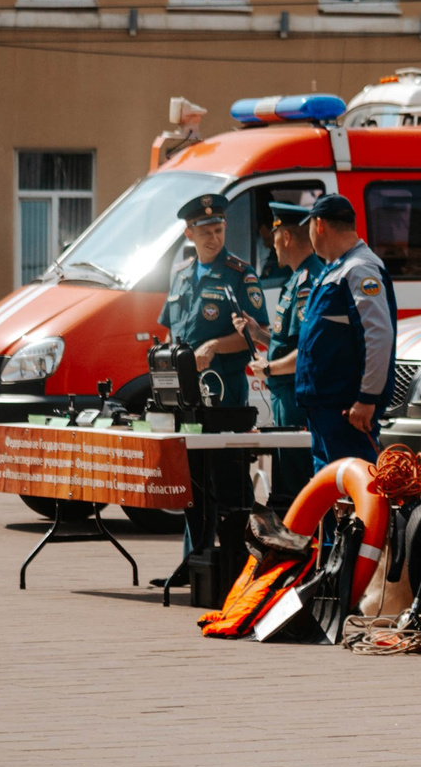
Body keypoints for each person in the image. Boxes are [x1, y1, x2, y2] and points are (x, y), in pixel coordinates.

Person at [161, 190, 270, 579]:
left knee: (229, 479)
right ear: (189, 233)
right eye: (205, 231)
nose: (214, 237)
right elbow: (171, 329)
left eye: (219, 229)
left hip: (225, 394)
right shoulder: (181, 275)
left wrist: (214, 346)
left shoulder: (240, 275)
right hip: (187, 398)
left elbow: (259, 335)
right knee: (193, 480)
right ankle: (196, 562)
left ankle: (238, 565)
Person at [293, 194, 395, 469]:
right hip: (327, 410)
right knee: (333, 492)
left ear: (319, 225)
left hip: (347, 411)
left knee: (356, 490)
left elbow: (378, 335)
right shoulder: (336, 269)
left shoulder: (359, 269)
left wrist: (367, 398)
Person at [255, 199, 321, 508]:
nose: (273, 245)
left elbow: (306, 351)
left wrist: (268, 369)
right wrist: (258, 334)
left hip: (295, 400)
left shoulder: (308, 281)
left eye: (274, 237)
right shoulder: (295, 279)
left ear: (286, 237)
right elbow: (287, 339)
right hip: (285, 400)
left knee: (295, 485)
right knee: (285, 482)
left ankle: (300, 548)